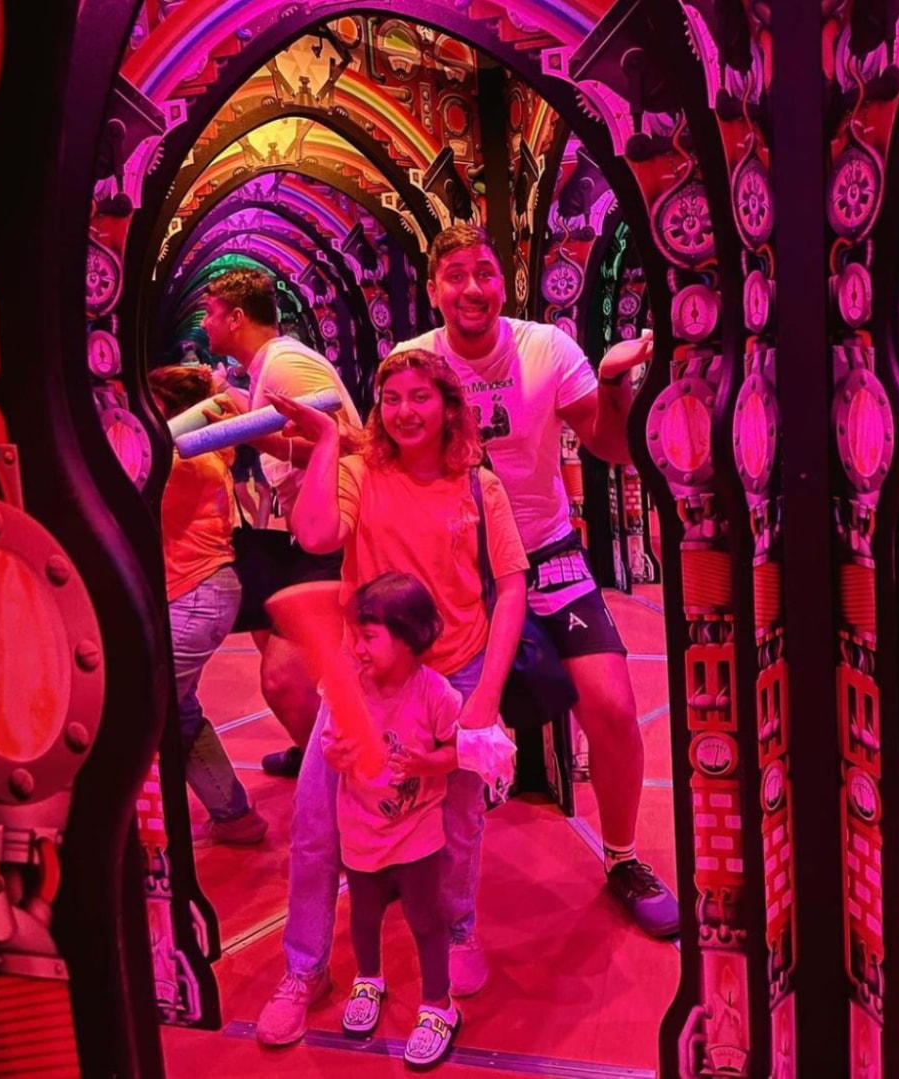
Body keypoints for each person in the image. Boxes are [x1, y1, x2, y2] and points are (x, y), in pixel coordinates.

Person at [391, 222, 677, 940]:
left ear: (502, 283)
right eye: (453, 274)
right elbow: (384, 465)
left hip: (546, 549)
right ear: (433, 289)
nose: (471, 288)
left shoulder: (545, 348)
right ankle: (408, 856)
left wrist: (613, 383)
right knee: (412, 714)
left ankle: (622, 858)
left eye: (482, 272)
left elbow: (610, 446)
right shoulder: (411, 361)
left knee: (610, 704)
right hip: (452, 562)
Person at [255, 348, 528, 1045]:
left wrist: (485, 696)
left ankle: (458, 928)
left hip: (453, 672)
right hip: (361, 680)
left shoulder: (477, 487)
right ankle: (304, 966)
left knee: (455, 824)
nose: (405, 410)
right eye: (392, 398)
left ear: (446, 406)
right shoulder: (357, 472)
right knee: (318, 825)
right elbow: (316, 534)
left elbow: (511, 587)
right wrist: (321, 443)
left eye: (420, 396)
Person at [196, 268, 363, 779]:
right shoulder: (271, 366)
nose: (205, 323)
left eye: (210, 313)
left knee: (284, 681)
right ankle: (314, 744)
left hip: (333, 536)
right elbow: (306, 440)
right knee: (270, 628)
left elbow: (345, 442)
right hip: (309, 533)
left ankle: (345, 773)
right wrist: (254, 423)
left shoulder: (287, 365)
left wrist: (251, 431)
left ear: (237, 317)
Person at [321, 571, 464, 1066]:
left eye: (369, 636)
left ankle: (438, 1004)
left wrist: (427, 764)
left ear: (408, 637)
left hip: (417, 827)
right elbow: (332, 747)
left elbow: (455, 751)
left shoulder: (435, 694)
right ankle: (369, 980)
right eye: (356, 635)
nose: (357, 647)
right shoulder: (345, 690)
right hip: (360, 826)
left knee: (425, 918)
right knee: (363, 914)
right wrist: (337, 756)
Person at [149, 364, 270, 846]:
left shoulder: (178, 456)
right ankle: (235, 815)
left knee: (144, 711)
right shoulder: (199, 447)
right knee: (177, 711)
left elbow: (142, 453)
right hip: (200, 592)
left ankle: (137, 838)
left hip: (196, 594)